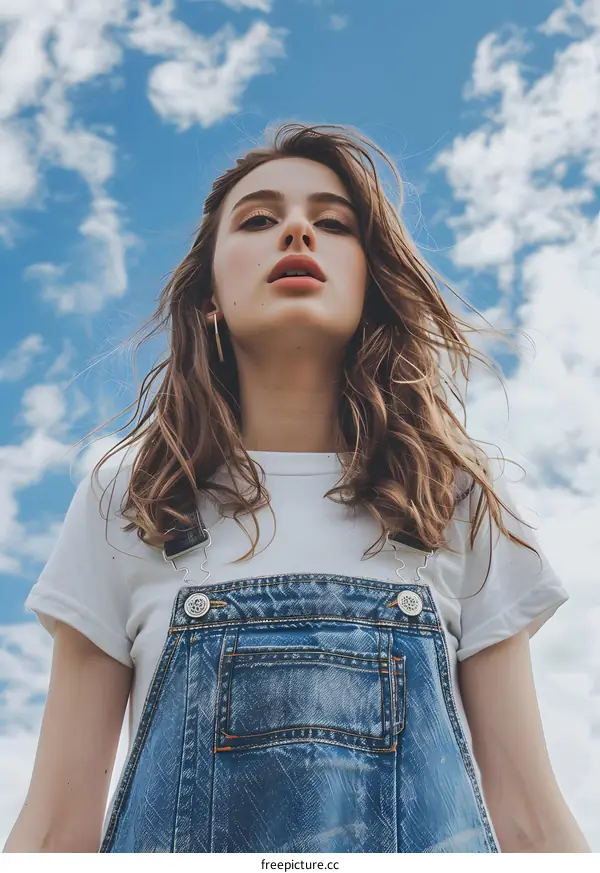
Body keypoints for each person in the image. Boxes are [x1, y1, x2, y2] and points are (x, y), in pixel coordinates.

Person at [4, 123, 590, 854]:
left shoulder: (454, 497)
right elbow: (57, 830)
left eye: (333, 222)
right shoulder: (134, 496)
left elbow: (531, 820)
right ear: (210, 297)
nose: (297, 232)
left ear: (371, 282)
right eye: (258, 218)